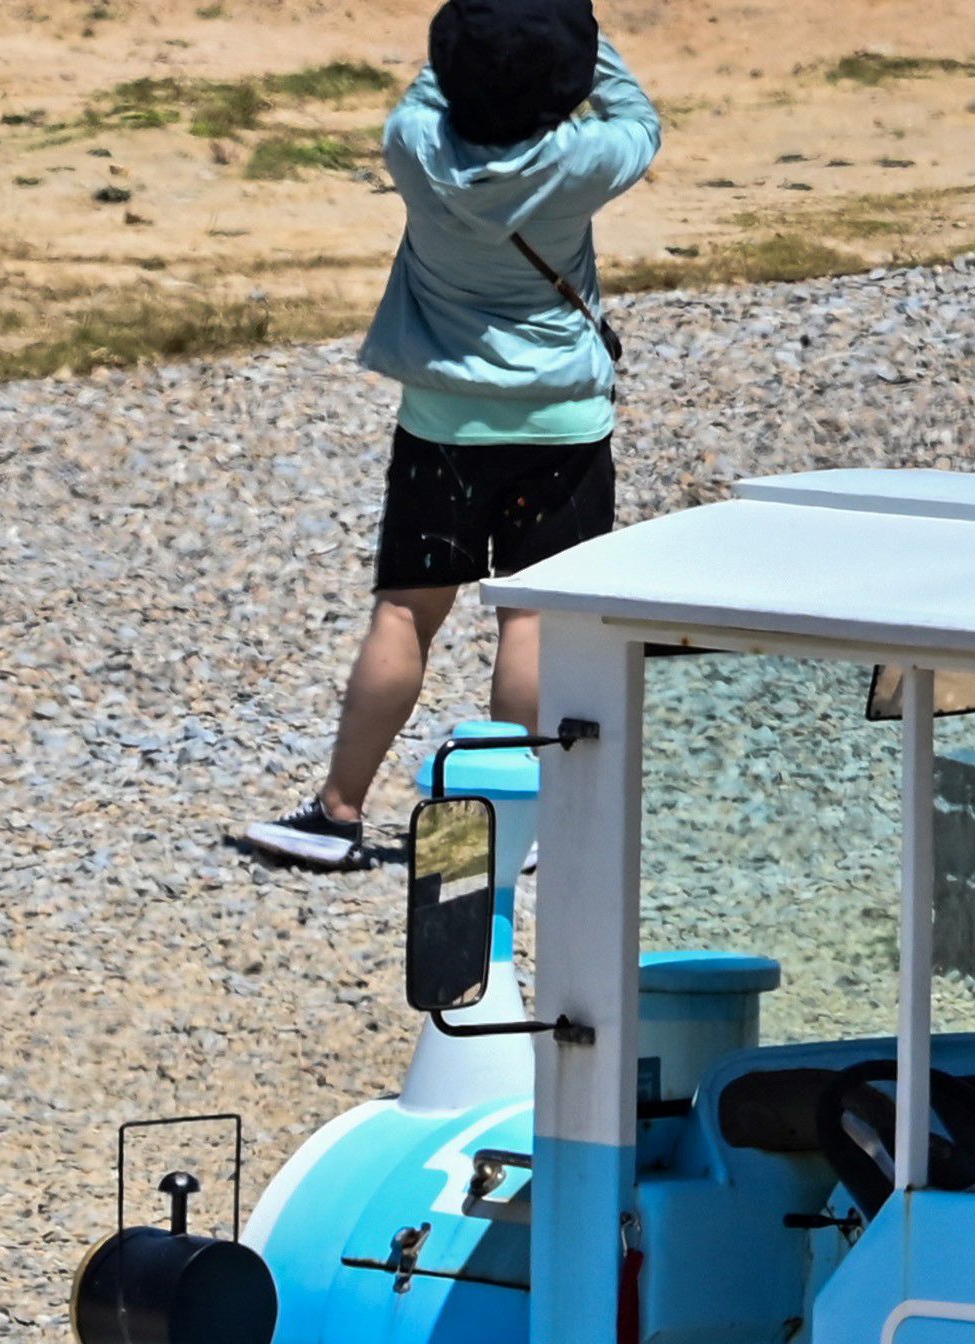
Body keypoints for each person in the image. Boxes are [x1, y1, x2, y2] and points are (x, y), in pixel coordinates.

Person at [235, 0, 660, 872]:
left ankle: (339, 811)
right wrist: (577, 41)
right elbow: (639, 118)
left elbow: (436, 83)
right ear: (566, 81)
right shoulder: (583, 163)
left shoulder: (414, 147)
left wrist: (481, 30)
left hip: (441, 421)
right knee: (531, 616)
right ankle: (514, 822)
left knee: (405, 612)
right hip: (563, 421)